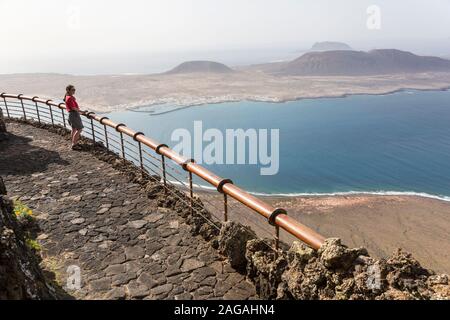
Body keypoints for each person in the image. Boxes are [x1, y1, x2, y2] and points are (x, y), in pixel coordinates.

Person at [64, 85, 84, 150]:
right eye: (72, 90)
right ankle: (74, 144)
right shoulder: (69, 98)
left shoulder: (68, 97)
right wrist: (81, 111)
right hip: (74, 115)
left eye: (74, 90)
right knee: (80, 129)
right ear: (68, 90)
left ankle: (73, 142)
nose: (74, 91)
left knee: (74, 129)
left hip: (71, 115)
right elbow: (73, 108)